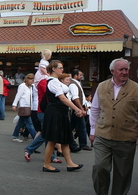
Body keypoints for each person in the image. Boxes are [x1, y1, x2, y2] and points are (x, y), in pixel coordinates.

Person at [90, 58, 138, 195]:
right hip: (103, 135)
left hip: (126, 137)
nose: (125, 72)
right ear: (112, 71)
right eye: (121, 69)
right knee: (100, 168)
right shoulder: (102, 86)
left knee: (122, 174)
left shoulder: (136, 88)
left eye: (126, 69)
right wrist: (93, 131)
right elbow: (95, 109)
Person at [42, 60, 84, 173]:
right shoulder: (52, 81)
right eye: (60, 68)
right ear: (54, 69)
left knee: (65, 139)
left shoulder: (56, 81)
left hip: (61, 111)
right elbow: (62, 98)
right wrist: (77, 109)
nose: (62, 69)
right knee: (52, 139)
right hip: (55, 111)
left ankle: (70, 163)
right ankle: (46, 164)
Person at [69, 69, 92, 151]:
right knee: (82, 126)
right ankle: (83, 144)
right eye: (80, 75)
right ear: (75, 75)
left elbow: (81, 95)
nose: (81, 77)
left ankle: (61, 140)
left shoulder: (77, 83)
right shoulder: (73, 84)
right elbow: (75, 97)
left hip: (79, 107)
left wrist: (85, 104)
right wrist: (81, 108)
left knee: (71, 126)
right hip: (77, 108)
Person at [12, 73, 37, 142]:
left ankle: (15, 135)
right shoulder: (22, 86)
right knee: (29, 124)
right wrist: (14, 104)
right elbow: (18, 95)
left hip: (28, 107)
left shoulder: (31, 87)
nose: (32, 81)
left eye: (33, 79)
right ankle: (36, 137)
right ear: (27, 79)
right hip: (24, 106)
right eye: (31, 79)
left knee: (21, 122)